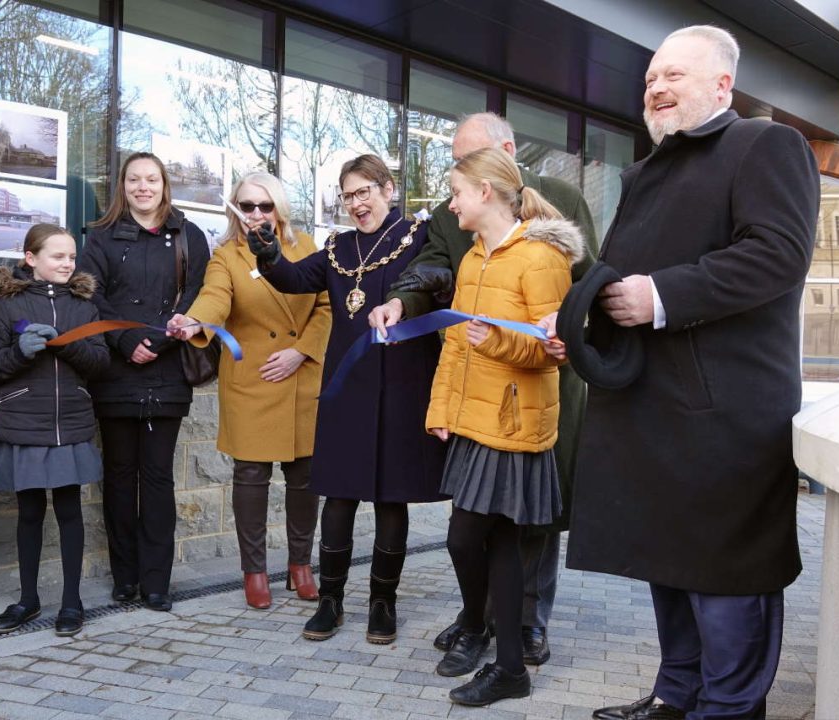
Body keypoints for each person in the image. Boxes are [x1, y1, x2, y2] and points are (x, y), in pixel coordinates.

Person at [540, 26, 820, 720]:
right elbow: (621, 285)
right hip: (655, 411)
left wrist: (659, 298)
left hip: (724, 419)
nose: (656, 88)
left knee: (725, 580)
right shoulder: (649, 170)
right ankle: (677, 698)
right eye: (650, 80)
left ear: (723, 85)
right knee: (667, 565)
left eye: (675, 75)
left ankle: (727, 709)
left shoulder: (765, 145)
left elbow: (777, 256)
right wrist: (580, 318)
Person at [370, 112, 599, 665]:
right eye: (453, 160)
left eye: (465, 161)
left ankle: (526, 621)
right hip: (479, 391)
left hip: (542, 387)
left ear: (503, 155)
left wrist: (564, 333)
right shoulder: (465, 230)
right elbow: (433, 270)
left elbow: (586, 277)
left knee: (533, 515)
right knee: (480, 522)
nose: (455, 173)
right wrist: (403, 301)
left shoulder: (560, 200)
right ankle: (481, 616)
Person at [247, 154, 447, 643]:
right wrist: (267, 252)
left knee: (390, 500)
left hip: (402, 386)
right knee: (337, 498)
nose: (356, 204)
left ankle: (383, 604)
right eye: (348, 195)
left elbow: (438, 286)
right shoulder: (337, 247)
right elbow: (294, 280)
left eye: (364, 192)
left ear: (388, 190)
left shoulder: (417, 239)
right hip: (346, 388)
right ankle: (331, 601)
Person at [427, 147, 583, 705]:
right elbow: (453, 344)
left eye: (457, 192)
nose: (452, 203)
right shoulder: (473, 258)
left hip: (514, 421)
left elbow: (555, 351)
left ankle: (500, 655)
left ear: (486, 192)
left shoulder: (541, 258)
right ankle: (487, 641)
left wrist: (493, 340)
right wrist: (441, 410)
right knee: (482, 541)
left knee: (481, 538)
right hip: (472, 420)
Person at [166, 173, 331, 609]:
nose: (255, 214)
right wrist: (195, 321)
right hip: (253, 378)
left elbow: (326, 306)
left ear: (279, 209)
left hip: (299, 376)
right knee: (251, 478)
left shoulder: (308, 248)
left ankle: (300, 566)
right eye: (246, 205)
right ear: (233, 210)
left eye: (264, 206)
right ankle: (254, 571)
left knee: (304, 477)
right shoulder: (226, 256)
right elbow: (214, 297)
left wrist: (302, 351)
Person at [77, 152, 210, 611]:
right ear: (123, 186)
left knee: (156, 479)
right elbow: (91, 296)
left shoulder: (188, 235)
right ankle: (124, 577)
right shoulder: (99, 237)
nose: (142, 187)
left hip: (167, 371)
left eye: (151, 179)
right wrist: (127, 339)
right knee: (118, 478)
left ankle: (157, 580)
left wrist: (162, 341)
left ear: (163, 184)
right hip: (115, 372)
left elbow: (198, 296)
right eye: (134, 179)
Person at [0, 225, 109, 637]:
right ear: (31, 259)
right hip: (23, 423)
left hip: (69, 423)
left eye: (71, 257)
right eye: (58, 257)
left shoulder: (84, 306)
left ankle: (72, 602)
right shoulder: (5, 304)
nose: (68, 264)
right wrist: (18, 353)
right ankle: (28, 599)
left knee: (70, 512)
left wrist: (66, 344)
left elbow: (101, 364)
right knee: (29, 513)